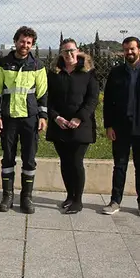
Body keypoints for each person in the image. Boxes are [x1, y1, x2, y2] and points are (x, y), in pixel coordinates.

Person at [102, 36, 140, 217]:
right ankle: (115, 201)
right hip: (120, 128)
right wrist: (109, 126)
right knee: (119, 166)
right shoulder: (116, 73)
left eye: (133, 49)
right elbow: (108, 103)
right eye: (126, 49)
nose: (129, 52)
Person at [0, 26, 48, 213]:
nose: (25, 45)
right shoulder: (3, 64)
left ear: (32, 45)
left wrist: (43, 116)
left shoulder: (38, 65)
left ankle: (27, 198)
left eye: (29, 43)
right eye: (22, 41)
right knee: (8, 158)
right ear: (16, 41)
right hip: (9, 119)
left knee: (29, 159)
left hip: (30, 119)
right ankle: (7, 197)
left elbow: (42, 93)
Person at [46, 38, 99, 214]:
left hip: (81, 126)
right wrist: (56, 117)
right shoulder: (54, 73)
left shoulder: (88, 73)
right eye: (65, 51)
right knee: (65, 162)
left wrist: (79, 118)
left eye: (72, 50)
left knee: (76, 162)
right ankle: (69, 195)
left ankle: (78, 200)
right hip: (60, 124)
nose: (69, 54)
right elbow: (47, 99)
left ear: (78, 51)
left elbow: (92, 99)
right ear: (60, 53)